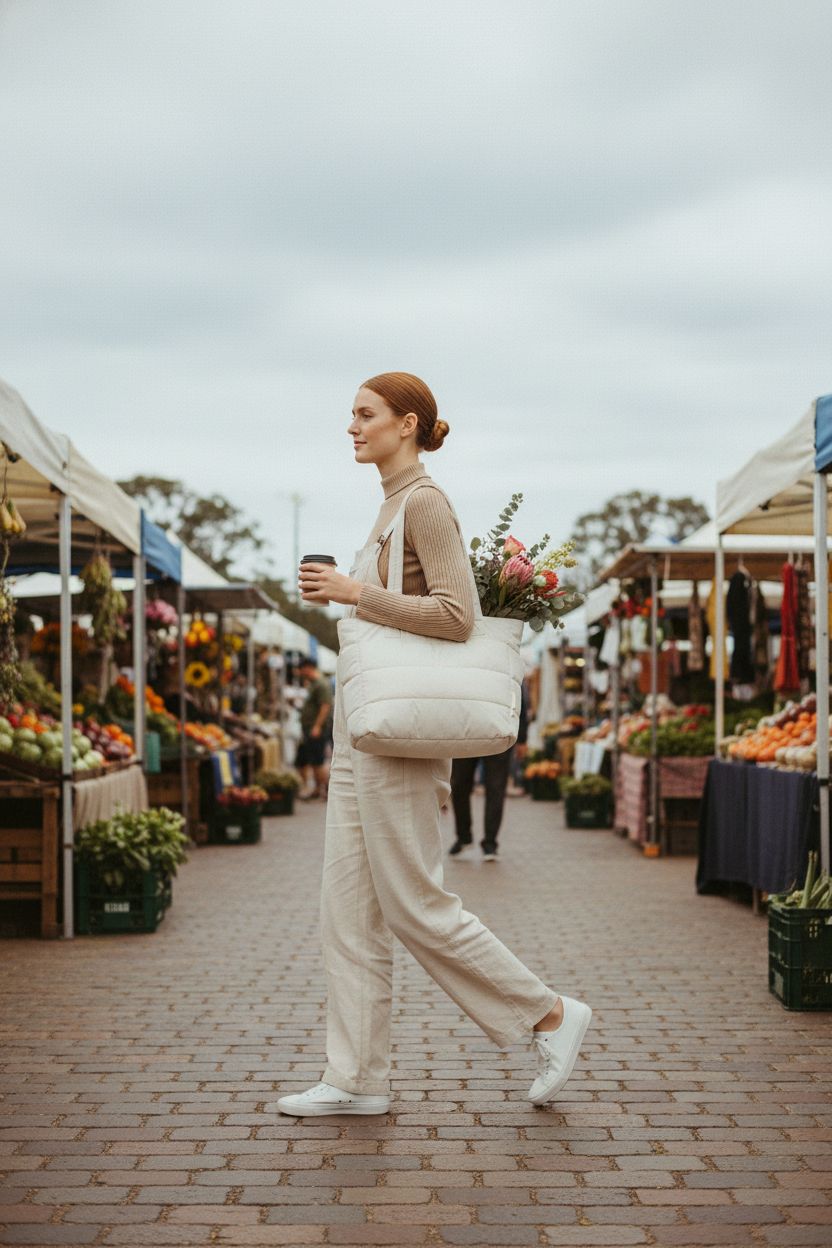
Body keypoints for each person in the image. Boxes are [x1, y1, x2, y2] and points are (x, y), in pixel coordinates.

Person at [280, 371, 592, 1117]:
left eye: (366, 414)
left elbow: (457, 615)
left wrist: (354, 594)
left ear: (409, 424)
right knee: (347, 910)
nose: (351, 427)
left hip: (403, 740)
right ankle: (355, 1079)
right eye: (351, 415)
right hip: (364, 732)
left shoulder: (424, 502)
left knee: (415, 903)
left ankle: (548, 1013)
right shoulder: (390, 503)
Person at [449, 746, 514, 861]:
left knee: (496, 787)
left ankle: (490, 843)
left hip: (498, 733)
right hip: (466, 734)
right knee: (459, 784)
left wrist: (522, 737)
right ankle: (464, 837)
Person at [295, 657, 333, 800]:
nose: (300, 672)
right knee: (310, 759)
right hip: (309, 728)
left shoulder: (321, 684)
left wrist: (317, 726)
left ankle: (326, 790)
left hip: (315, 729)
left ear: (308, 667)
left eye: (301, 669)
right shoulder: (313, 684)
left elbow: (325, 706)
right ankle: (317, 789)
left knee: (317, 761)